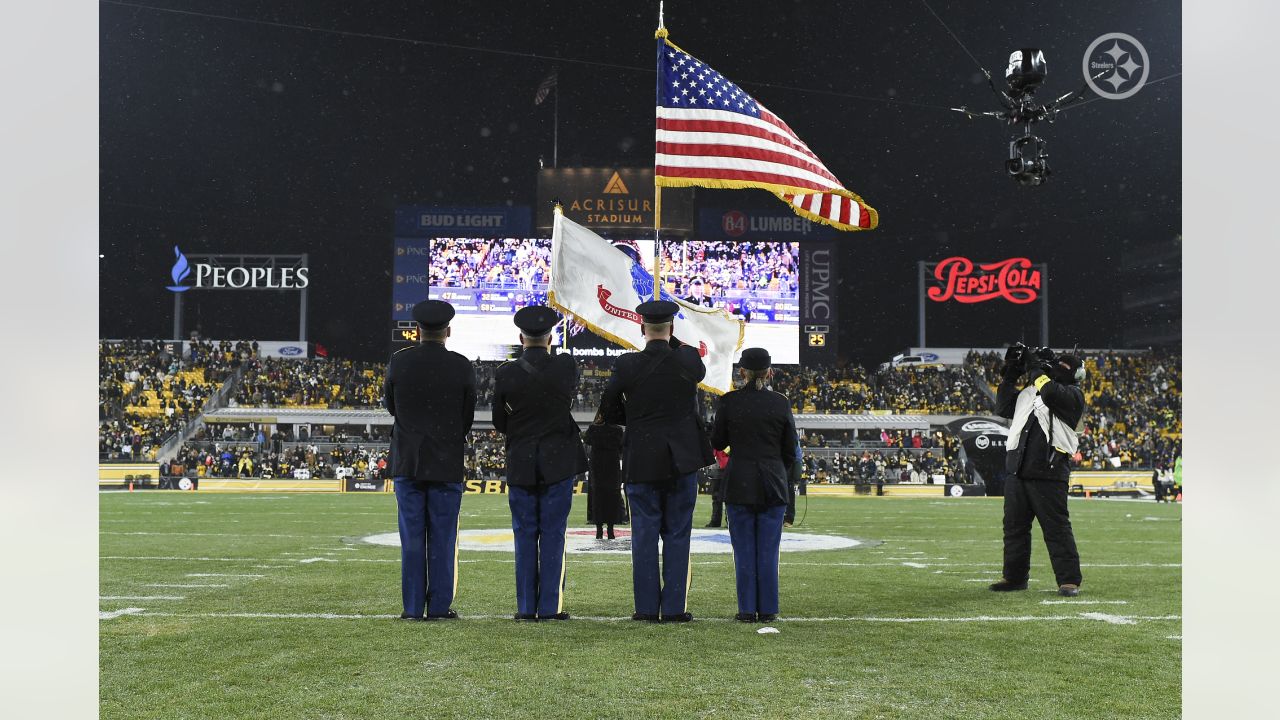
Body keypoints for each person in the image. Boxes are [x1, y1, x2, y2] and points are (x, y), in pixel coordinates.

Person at [600, 300, 715, 623]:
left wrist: (635, 419)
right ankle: (675, 606)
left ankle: (647, 608)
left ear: (641, 328)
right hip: (682, 458)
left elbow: (608, 409)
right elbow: (696, 368)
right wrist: (672, 340)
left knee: (644, 535)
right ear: (673, 329)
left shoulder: (627, 365)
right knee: (678, 533)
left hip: (642, 457)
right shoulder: (688, 358)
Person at [492, 305, 588, 621]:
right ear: (551, 338)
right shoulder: (565, 366)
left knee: (524, 535)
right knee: (553, 534)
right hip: (558, 462)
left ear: (521, 337)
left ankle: (525, 607)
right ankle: (549, 607)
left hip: (521, 462)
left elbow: (499, 421)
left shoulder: (506, 373)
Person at [385, 300, 477, 621]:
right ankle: (438, 607)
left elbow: (391, 406)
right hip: (446, 461)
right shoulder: (462, 365)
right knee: (443, 537)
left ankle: (411, 608)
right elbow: (467, 417)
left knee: (412, 537)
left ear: (417, 331)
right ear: (448, 331)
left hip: (408, 460)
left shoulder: (399, 362)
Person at [990, 345, 1087, 597]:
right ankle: (1014, 577)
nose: (1058, 369)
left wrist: (1033, 366)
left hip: (1049, 471)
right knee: (1013, 528)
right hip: (1018, 471)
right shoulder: (1030, 392)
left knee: (1056, 528)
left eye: (1065, 367)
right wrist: (1011, 374)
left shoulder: (1073, 395)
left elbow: (1050, 392)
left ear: (1077, 375)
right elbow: (1002, 408)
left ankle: (1069, 580)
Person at [709, 348, 798, 623]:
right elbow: (790, 449)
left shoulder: (729, 401)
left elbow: (716, 441)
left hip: (739, 482)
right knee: (769, 550)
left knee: (744, 549)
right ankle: (768, 609)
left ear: (742, 372)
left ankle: (747, 609)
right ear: (769, 372)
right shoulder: (780, 403)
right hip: (773, 482)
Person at [584, 411, 628, 540]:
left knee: (598, 497)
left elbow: (587, 440)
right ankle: (610, 529)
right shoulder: (618, 430)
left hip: (597, 466)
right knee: (612, 497)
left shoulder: (593, 429)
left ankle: (598, 529)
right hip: (612, 465)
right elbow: (621, 447)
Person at [705, 448, 729, 527]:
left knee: (717, 497)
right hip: (724, 466)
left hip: (722, 466)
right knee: (723, 497)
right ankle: (726, 521)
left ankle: (716, 521)